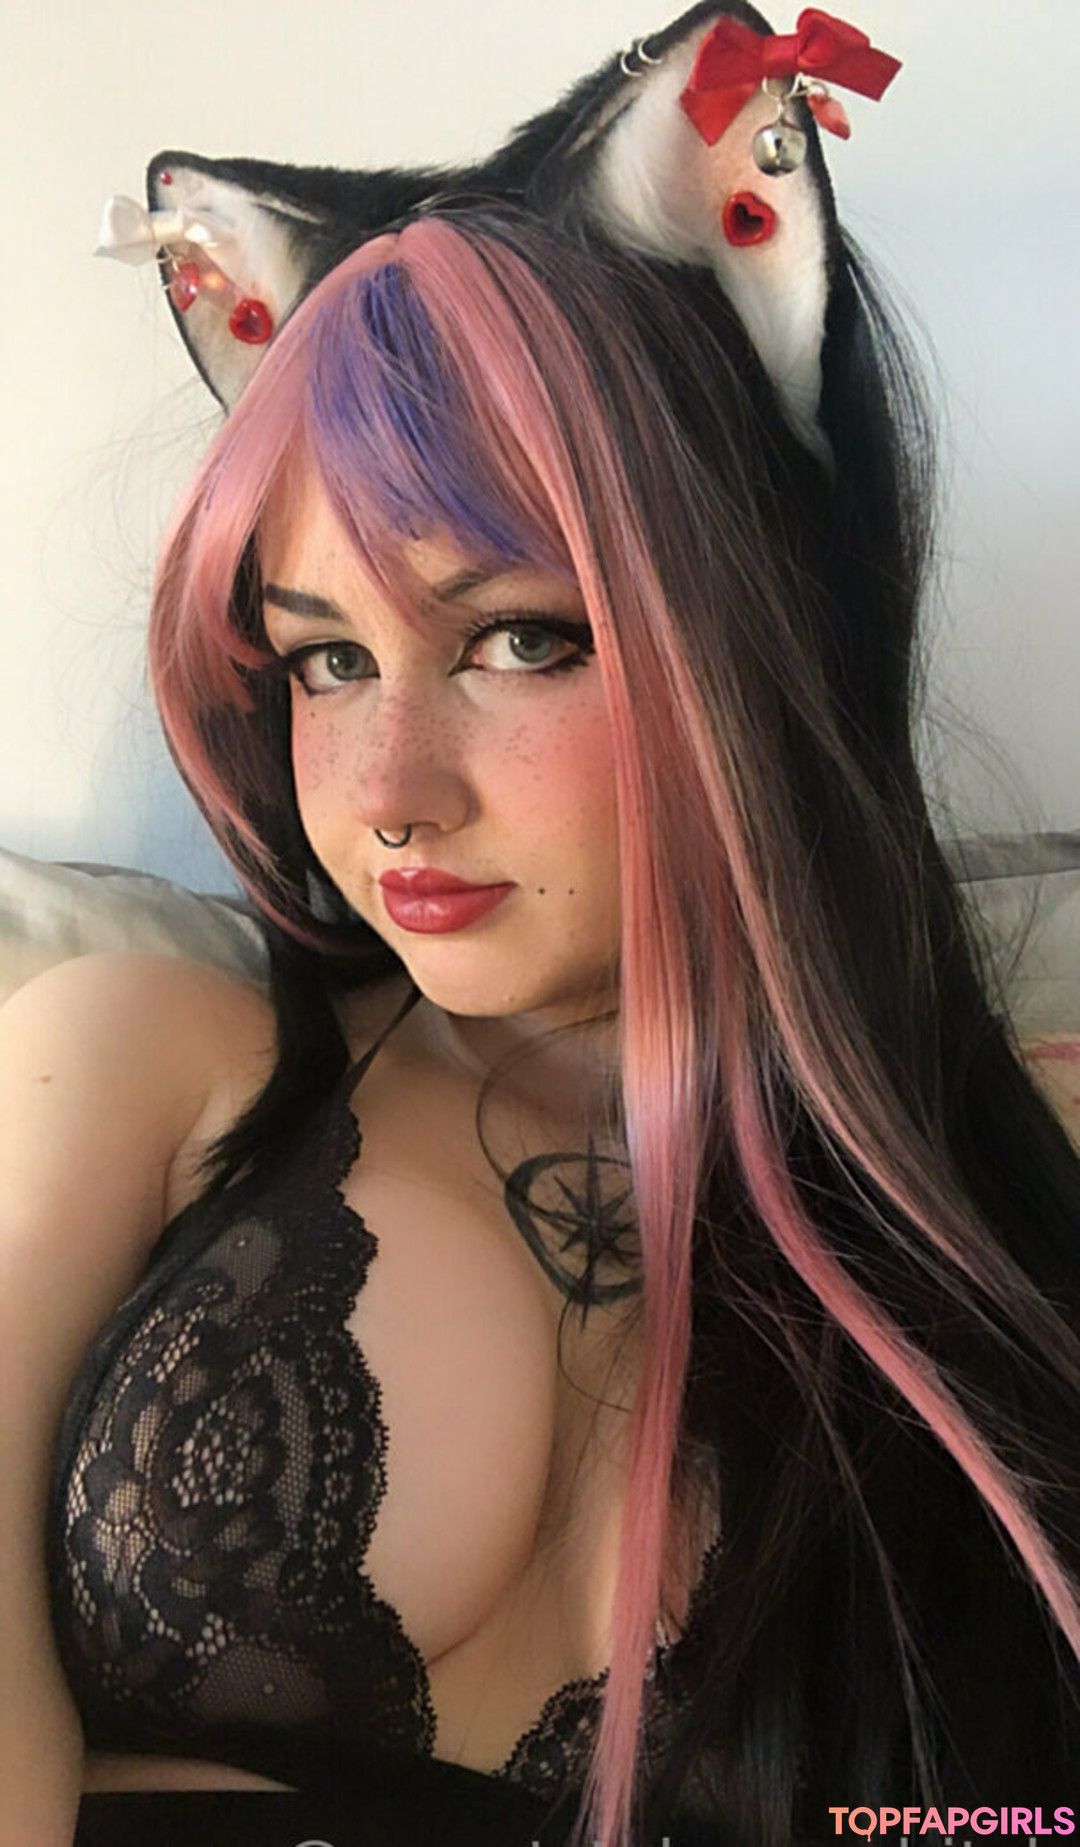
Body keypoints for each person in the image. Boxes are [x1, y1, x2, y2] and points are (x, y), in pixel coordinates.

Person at [3, 7, 1080, 1846]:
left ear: (761, 648)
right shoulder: (138, 1061)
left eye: (519, 637)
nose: (389, 791)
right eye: (327, 660)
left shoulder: (1028, 1175)